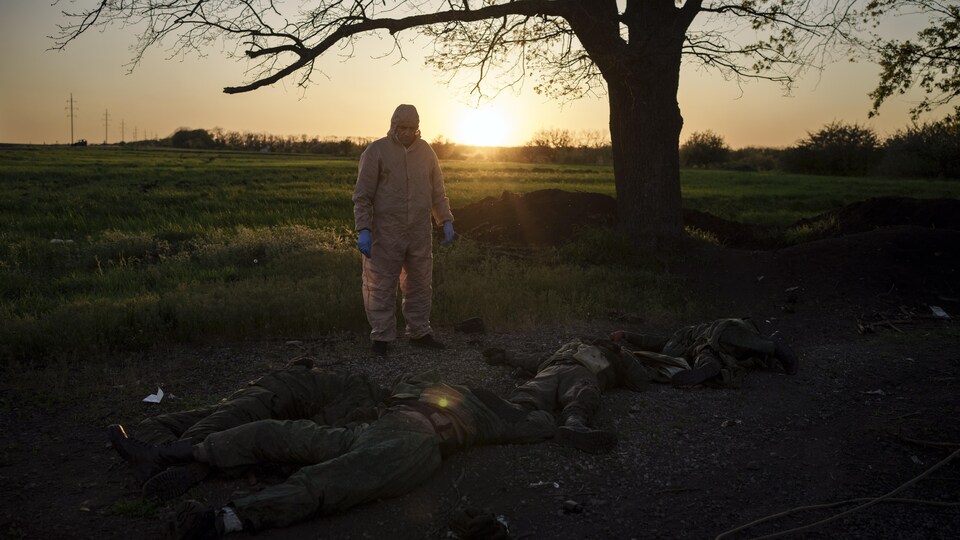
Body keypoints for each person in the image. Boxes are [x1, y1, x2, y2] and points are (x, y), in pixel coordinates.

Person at [109, 372, 555, 538]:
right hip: (374, 429)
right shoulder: (435, 388)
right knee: (276, 432)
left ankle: (227, 518)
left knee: (327, 483)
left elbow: (535, 426)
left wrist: (564, 416)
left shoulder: (490, 414)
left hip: (413, 446)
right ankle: (169, 454)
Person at [107, 362, 387, 500]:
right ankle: (176, 462)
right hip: (250, 399)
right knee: (152, 425)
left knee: (206, 433)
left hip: (268, 403)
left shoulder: (361, 396)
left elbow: (312, 430)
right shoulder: (357, 388)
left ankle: (166, 459)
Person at [353, 104, 455, 356]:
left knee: (420, 283)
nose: (408, 132)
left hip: (419, 232)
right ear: (394, 125)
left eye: (412, 128)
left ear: (418, 127)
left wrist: (445, 220)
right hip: (386, 231)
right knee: (380, 284)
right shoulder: (376, 151)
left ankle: (420, 332)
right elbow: (362, 196)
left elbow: (437, 192)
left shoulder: (426, 152)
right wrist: (363, 228)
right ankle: (381, 337)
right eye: (403, 127)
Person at [483, 337, 655, 454]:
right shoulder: (560, 352)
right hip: (552, 368)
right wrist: (506, 355)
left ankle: (575, 424)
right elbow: (533, 359)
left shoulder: (611, 355)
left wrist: (622, 353)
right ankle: (517, 412)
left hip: (583, 370)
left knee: (582, 391)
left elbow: (641, 381)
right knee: (532, 389)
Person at [610, 318, 799, 387]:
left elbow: (649, 340)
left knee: (737, 340)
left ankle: (774, 346)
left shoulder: (689, 331)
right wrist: (625, 335)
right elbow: (652, 342)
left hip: (717, 331)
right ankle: (709, 368)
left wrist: (627, 334)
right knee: (705, 355)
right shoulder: (679, 346)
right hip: (704, 347)